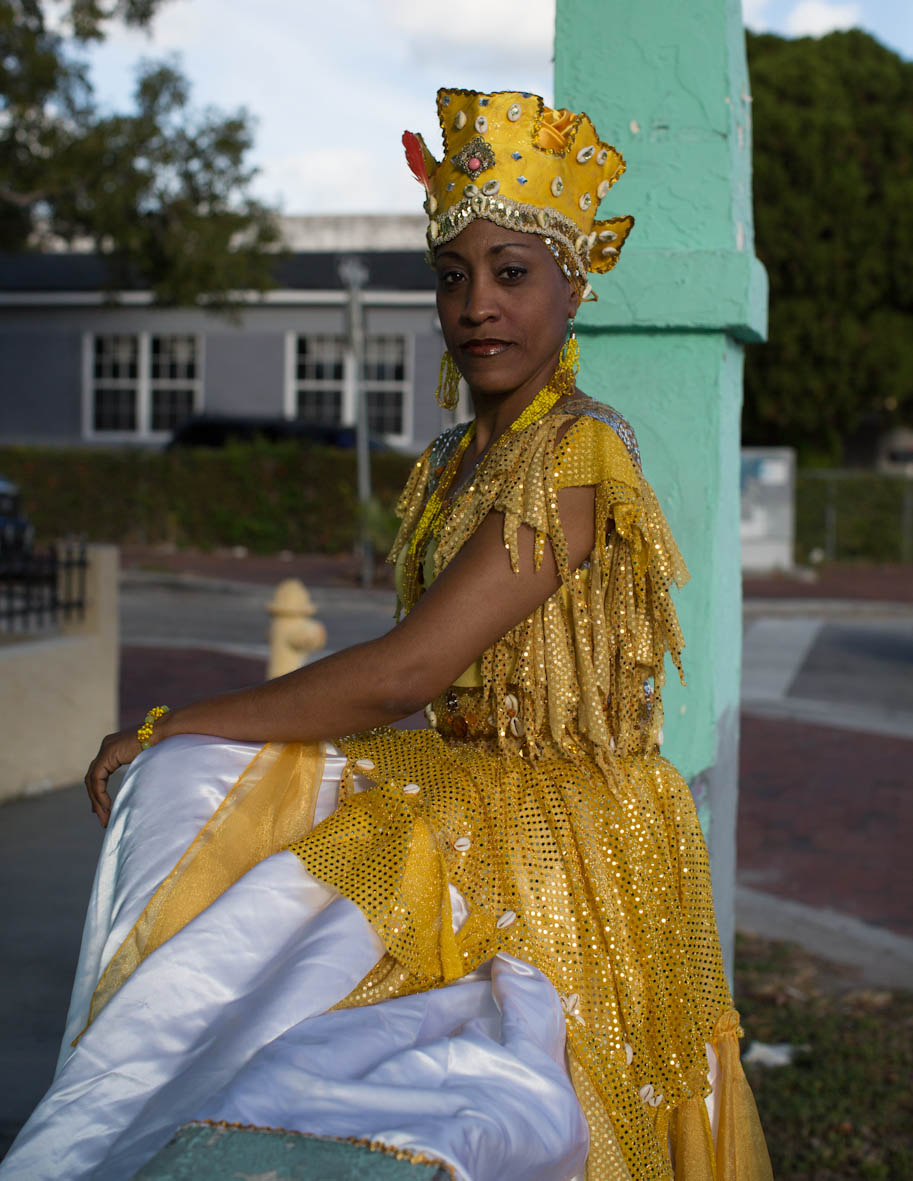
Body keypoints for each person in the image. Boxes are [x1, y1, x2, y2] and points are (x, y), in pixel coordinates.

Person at [1, 89, 772, 1180]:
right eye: (452, 276)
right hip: (462, 792)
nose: (478, 305)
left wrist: (174, 721)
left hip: (572, 839)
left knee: (539, 1103)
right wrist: (187, 745)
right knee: (248, 939)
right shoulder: (455, 459)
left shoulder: (577, 455)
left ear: (573, 282)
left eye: (512, 271)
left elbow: (407, 670)